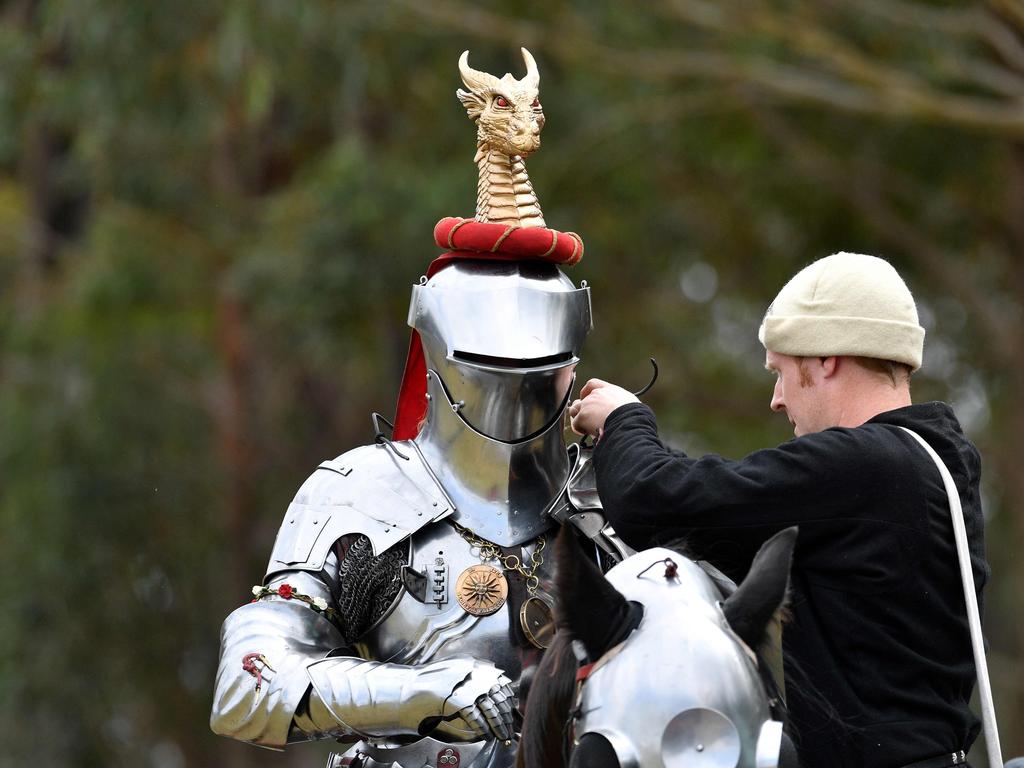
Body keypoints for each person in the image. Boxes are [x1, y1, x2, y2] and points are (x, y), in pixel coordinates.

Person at [568, 252, 989, 768]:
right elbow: (710, 514)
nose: (776, 398)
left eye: (781, 371)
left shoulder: (866, 466)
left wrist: (624, 421)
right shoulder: (932, 461)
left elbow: (652, 501)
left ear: (824, 358)